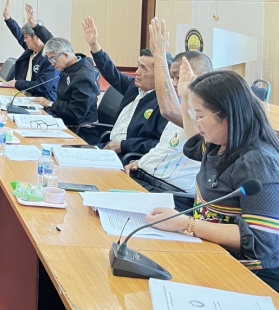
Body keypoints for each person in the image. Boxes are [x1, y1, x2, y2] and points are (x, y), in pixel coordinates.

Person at [146, 66, 279, 292]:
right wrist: (186, 96)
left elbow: (262, 241)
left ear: (227, 115)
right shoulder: (220, 143)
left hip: (250, 275)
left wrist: (187, 224)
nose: (194, 121)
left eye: (199, 116)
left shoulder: (258, 162)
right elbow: (192, 143)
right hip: (210, 253)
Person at [124, 19, 213, 209]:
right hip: (142, 177)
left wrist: (159, 54)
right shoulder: (180, 103)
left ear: (201, 77)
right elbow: (164, 148)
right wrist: (141, 161)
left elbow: (169, 110)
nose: (173, 82)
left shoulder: (207, 113)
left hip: (170, 194)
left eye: (179, 77)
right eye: (172, 77)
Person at [82, 16, 169, 157]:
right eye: (138, 66)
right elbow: (111, 72)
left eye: (144, 68)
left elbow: (159, 144)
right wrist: (94, 45)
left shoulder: (165, 104)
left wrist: (124, 145)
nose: (137, 72)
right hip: (107, 146)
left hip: (128, 155)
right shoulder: (134, 87)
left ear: (160, 73)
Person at [30, 37, 100, 140]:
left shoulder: (82, 77)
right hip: (66, 123)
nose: (52, 63)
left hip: (81, 132)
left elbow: (75, 112)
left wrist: (50, 104)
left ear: (66, 55)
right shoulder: (72, 65)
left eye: (53, 59)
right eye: (50, 60)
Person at [1, 0, 58, 101]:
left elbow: (43, 86)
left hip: (41, 101)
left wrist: (18, 83)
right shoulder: (31, 50)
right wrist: (8, 19)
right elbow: (18, 33)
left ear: (38, 37)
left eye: (26, 37)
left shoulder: (50, 59)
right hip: (24, 97)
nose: (24, 40)